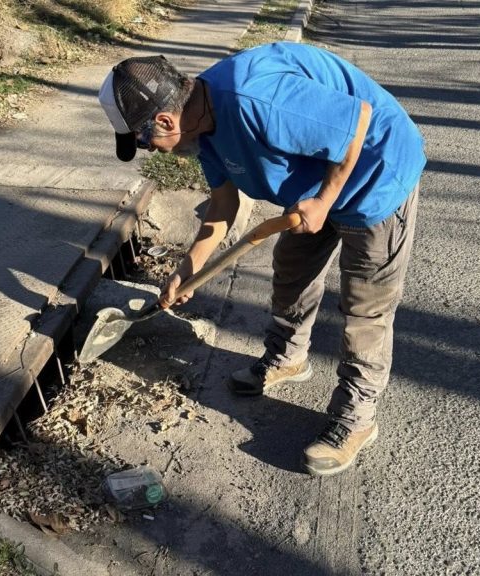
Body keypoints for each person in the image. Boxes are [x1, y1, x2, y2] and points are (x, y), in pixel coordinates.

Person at [98, 42, 426, 476]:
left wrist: (325, 200)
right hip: (312, 190)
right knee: (292, 270)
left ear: (164, 119)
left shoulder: (256, 99)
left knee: (365, 307)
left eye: (144, 141)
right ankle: (288, 356)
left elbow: (358, 120)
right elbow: (222, 206)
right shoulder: (200, 128)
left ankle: (356, 416)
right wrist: (190, 268)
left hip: (374, 177)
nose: (151, 150)